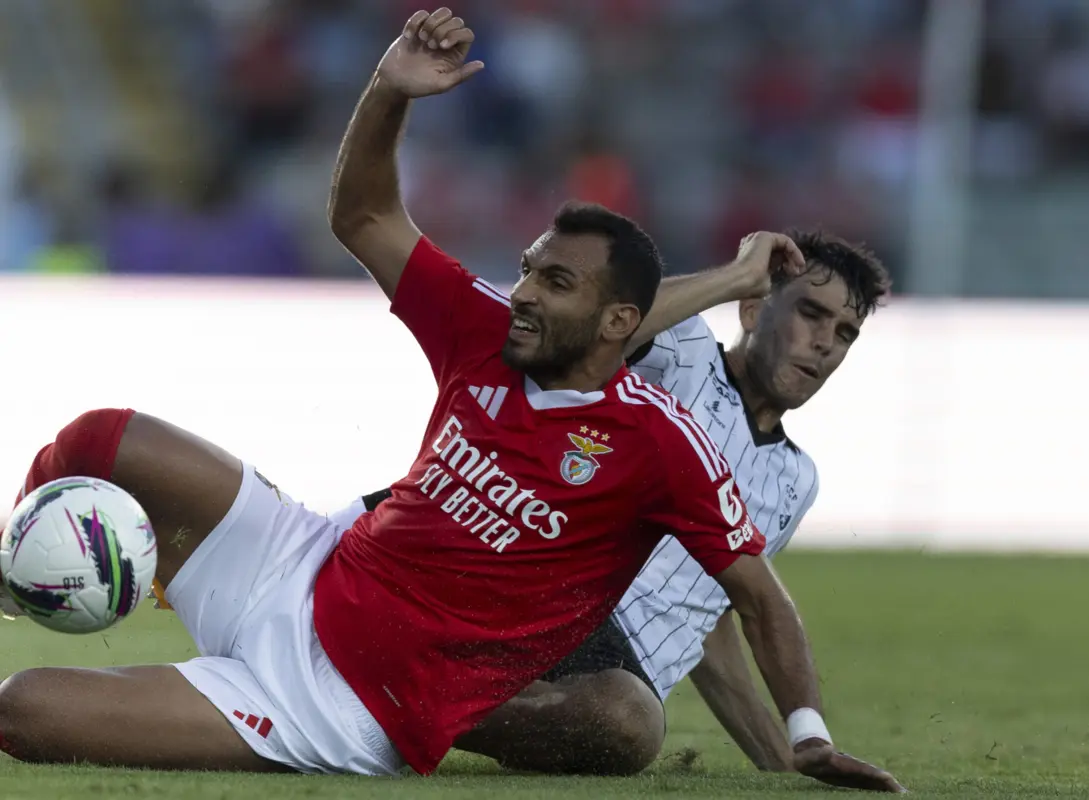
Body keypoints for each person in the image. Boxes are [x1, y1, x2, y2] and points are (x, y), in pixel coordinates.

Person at [0, 9, 902, 792]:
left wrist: (807, 740)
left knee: (25, 710)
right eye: (526, 271)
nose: (523, 293)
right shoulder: (485, 331)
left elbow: (759, 598)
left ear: (618, 320)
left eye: (554, 282)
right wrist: (390, 91)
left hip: (333, 703)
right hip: (305, 563)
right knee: (105, 436)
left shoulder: (658, 441)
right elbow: (363, 218)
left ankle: (386, 720)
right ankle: (13, 576)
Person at [335, 230, 890, 777]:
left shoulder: (797, 480)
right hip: (541, 587)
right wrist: (734, 277)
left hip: (619, 672)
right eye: (811, 314)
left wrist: (788, 762)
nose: (825, 342)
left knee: (628, 722)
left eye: (844, 333)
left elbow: (711, 619)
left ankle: (386, 691)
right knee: (430, 506)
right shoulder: (684, 351)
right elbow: (590, 330)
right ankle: (333, 623)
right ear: (751, 311)